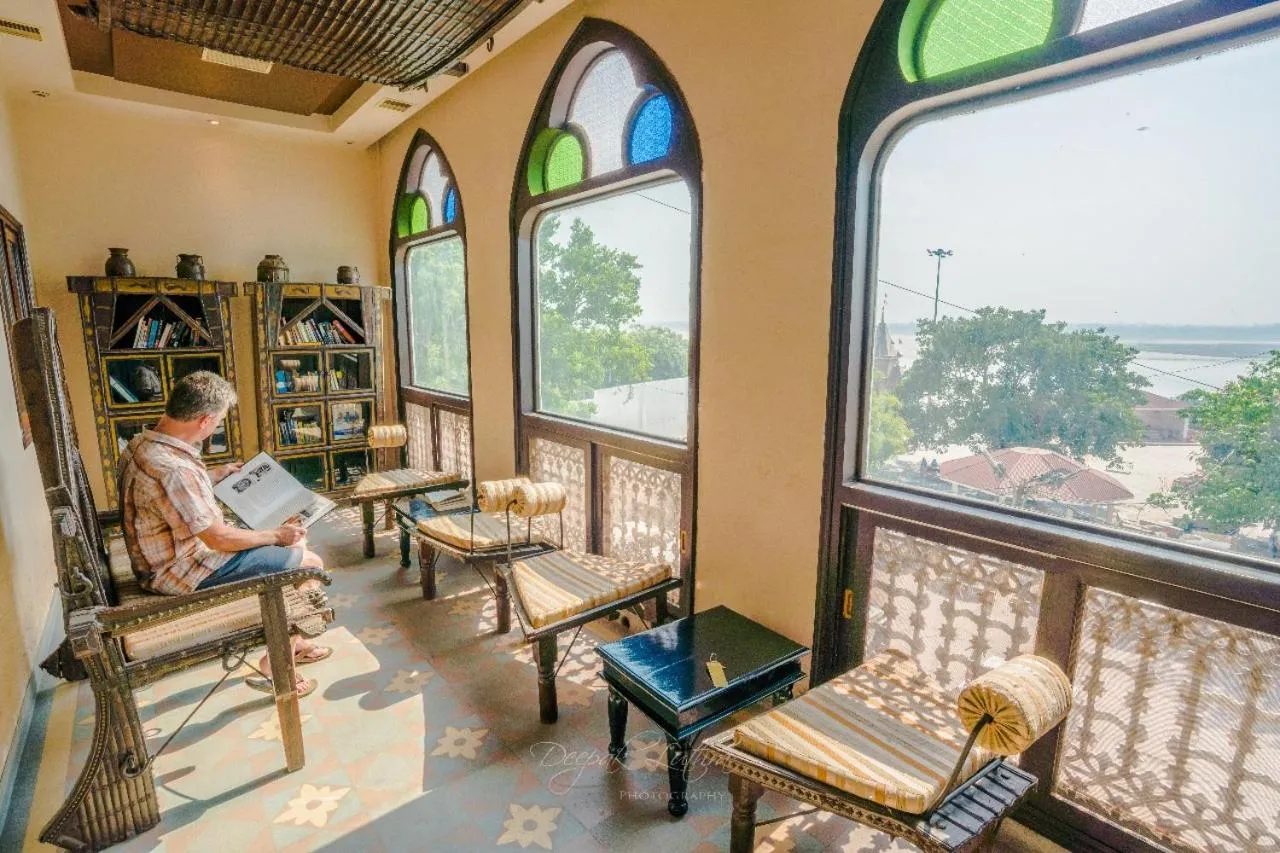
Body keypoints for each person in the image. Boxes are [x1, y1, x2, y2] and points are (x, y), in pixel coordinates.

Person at [118, 371, 330, 696]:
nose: (216, 426)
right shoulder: (176, 471)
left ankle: (294, 640)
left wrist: (215, 475)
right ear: (204, 420)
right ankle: (279, 660)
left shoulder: (142, 444)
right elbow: (217, 538)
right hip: (181, 571)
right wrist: (274, 535)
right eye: (217, 421)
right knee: (309, 561)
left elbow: (168, 492)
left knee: (296, 538)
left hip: (162, 556)